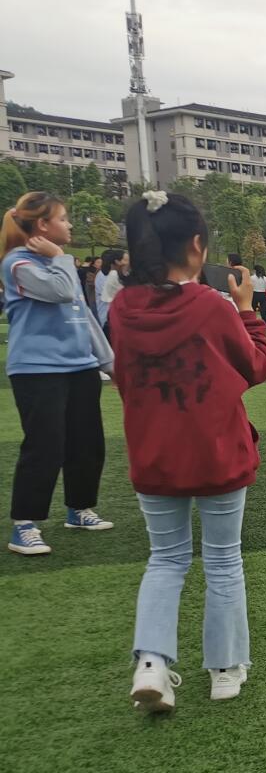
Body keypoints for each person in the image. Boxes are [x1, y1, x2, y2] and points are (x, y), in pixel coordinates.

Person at [110, 191, 266, 712]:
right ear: (197, 246)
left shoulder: (123, 307)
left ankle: (151, 663)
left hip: (154, 454)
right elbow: (256, 366)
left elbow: (124, 379)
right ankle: (225, 669)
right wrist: (247, 310)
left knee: (165, 559)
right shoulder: (209, 306)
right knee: (223, 560)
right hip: (216, 452)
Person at [3, 191, 115, 556]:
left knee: (87, 443)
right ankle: (24, 525)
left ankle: (79, 509)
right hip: (37, 370)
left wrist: (109, 363)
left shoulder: (57, 261)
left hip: (80, 367)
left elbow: (84, 318)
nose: (69, 225)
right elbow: (63, 292)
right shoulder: (17, 264)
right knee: (44, 446)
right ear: (42, 225)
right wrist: (60, 258)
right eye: (63, 219)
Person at [96, 248, 129, 333]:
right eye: (126, 260)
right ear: (117, 262)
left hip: (113, 318)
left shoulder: (116, 275)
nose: (128, 263)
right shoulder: (111, 275)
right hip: (109, 317)